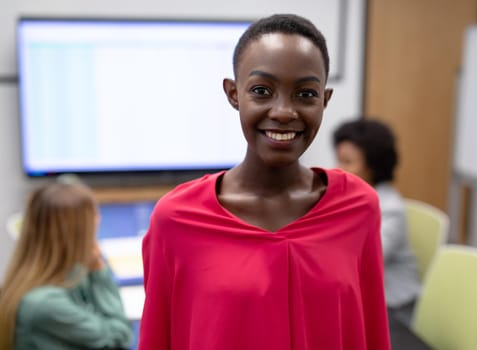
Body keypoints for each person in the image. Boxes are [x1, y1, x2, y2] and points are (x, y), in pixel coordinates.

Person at [140, 14, 390, 350]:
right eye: (261, 91)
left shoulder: (357, 207)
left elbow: (371, 332)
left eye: (305, 94)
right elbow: (158, 338)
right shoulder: (177, 218)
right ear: (233, 94)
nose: (285, 111)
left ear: (325, 100)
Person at [0, 181, 134, 350]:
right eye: (93, 220)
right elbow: (119, 338)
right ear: (77, 234)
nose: (98, 221)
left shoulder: (50, 280)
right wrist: (98, 268)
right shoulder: (44, 304)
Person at [332, 118, 421, 312]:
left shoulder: (390, 210)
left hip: (395, 306)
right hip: (359, 298)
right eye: (339, 159)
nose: (339, 169)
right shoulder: (346, 197)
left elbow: (361, 261)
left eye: (348, 162)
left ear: (373, 166)